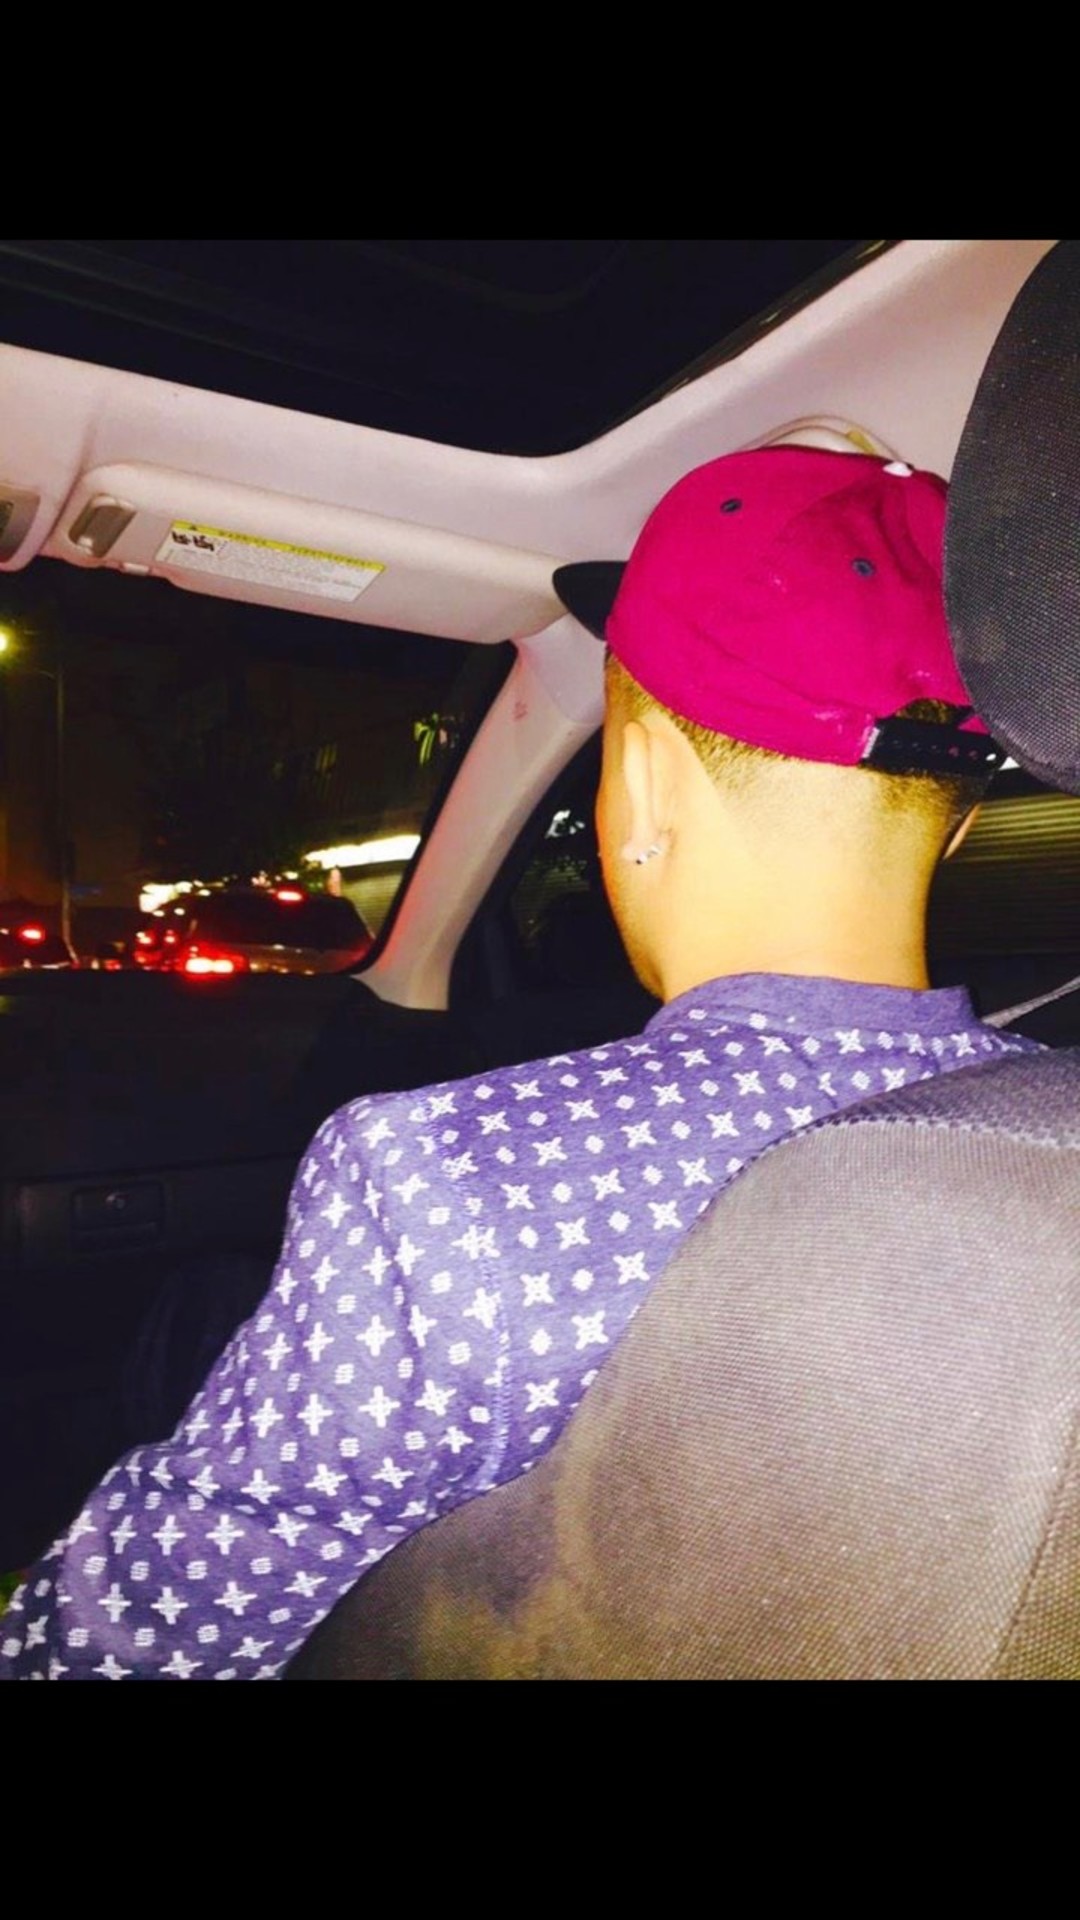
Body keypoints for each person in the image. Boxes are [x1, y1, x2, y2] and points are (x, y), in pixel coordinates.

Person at [0, 446, 1041, 1681]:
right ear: (957, 819)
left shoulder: (453, 1181)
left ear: (639, 784)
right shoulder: (1050, 1135)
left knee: (186, 1335)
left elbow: (128, 1639)